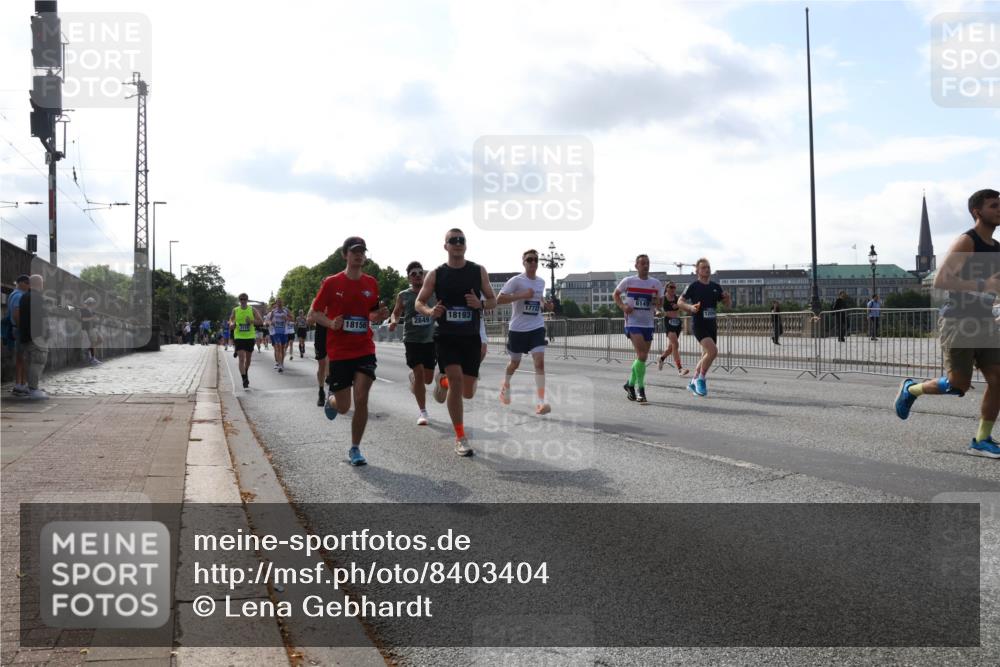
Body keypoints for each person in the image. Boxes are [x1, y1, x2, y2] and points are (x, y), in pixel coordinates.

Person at [895, 188, 1000, 459]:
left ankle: (981, 439)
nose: (999, 209)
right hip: (959, 321)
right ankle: (912, 389)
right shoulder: (968, 241)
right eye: (994, 205)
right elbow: (942, 280)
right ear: (978, 212)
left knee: (998, 380)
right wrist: (983, 284)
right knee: (958, 385)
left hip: (986, 321)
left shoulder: (996, 248)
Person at [416, 228, 497, 456]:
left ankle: (443, 383)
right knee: (457, 379)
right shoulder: (436, 274)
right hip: (447, 337)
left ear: (466, 245)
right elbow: (419, 302)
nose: (458, 243)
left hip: (470, 337)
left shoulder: (478, 271)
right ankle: (460, 437)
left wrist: (480, 305)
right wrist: (431, 310)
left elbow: (493, 300)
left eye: (461, 240)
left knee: (467, 391)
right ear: (446, 246)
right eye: (453, 240)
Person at [310, 236, 389, 466]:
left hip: (364, 348)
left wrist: (379, 316)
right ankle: (332, 401)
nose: (359, 255)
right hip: (340, 352)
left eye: (362, 251)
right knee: (344, 406)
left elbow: (372, 314)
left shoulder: (371, 283)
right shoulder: (332, 283)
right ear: (345, 255)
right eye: (354, 251)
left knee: (362, 398)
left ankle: (355, 448)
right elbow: (314, 314)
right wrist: (331, 322)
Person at [497, 249, 555, 414]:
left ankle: (541, 402)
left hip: (536, 327)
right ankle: (506, 384)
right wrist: (521, 295)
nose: (533, 263)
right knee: (515, 363)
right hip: (517, 329)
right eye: (529, 260)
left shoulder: (541, 282)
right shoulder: (516, 281)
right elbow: (499, 299)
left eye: (535, 260)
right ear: (523, 262)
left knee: (540, 364)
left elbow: (538, 299)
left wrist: (547, 305)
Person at [390, 261, 436, 425]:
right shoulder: (404, 295)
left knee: (428, 379)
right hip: (412, 339)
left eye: (420, 273)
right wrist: (393, 321)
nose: (417, 276)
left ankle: (415, 382)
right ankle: (423, 412)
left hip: (430, 340)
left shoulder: (432, 292)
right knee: (419, 372)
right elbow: (395, 313)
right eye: (413, 274)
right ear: (409, 278)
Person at [613, 254, 663, 403]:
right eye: (642, 264)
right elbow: (615, 294)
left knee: (642, 357)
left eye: (647, 263)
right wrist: (623, 306)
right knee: (642, 355)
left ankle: (629, 384)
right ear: (636, 266)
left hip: (648, 323)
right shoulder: (629, 281)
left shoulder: (656, 283)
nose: (645, 266)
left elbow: (659, 303)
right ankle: (641, 390)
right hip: (633, 323)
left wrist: (657, 303)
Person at [679, 258, 731, 397]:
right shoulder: (693, 286)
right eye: (703, 268)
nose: (707, 270)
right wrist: (690, 307)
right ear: (697, 270)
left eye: (708, 267)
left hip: (711, 325)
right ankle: (701, 379)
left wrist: (727, 298)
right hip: (699, 324)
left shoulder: (715, 286)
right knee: (713, 351)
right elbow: (680, 302)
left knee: (705, 355)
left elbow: (727, 305)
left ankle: (693, 381)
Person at [14, 275, 49, 399]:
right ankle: (33, 389)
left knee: (29, 362)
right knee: (38, 361)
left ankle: (32, 387)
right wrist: (46, 334)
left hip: (26, 336)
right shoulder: (38, 298)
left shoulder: (24, 297)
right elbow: (43, 318)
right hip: (37, 336)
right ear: (39, 284)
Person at [231, 293, 264, 388]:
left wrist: (252, 321)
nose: (243, 301)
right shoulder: (235, 310)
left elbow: (261, 321)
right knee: (241, 358)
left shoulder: (252, 310)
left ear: (247, 300)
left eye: (244, 299)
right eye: (241, 299)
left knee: (248, 360)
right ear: (239, 300)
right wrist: (232, 324)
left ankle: (245, 372)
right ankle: (244, 378)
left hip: (249, 337)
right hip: (239, 337)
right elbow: (231, 320)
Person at [656, 281, 689, 376]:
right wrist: (658, 312)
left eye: (674, 287)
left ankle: (661, 358)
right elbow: (656, 307)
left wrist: (679, 306)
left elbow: (682, 308)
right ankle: (680, 369)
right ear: (666, 288)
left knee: (671, 348)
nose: (673, 289)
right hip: (668, 322)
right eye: (671, 287)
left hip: (677, 322)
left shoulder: (677, 298)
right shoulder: (663, 298)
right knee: (675, 344)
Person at [5, 274, 30, 396]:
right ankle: (20, 384)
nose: (29, 286)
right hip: (19, 329)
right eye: (28, 283)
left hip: (16, 329)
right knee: (23, 357)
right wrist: (23, 328)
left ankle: (21, 384)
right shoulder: (19, 295)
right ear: (22, 283)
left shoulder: (13, 294)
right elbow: (16, 313)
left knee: (21, 357)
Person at [269, 298, 291, 372]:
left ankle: (281, 363)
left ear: (282, 302)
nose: (279, 303)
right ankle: (280, 365)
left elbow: (292, 319)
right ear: (276, 303)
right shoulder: (273, 311)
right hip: (276, 332)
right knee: (278, 347)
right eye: (278, 302)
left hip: (284, 332)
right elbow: (269, 320)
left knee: (282, 349)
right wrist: (271, 322)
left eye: (280, 302)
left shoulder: (286, 310)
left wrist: (286, 318)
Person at [80, 297, 102, 364]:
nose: (93, 304)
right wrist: (92, 318)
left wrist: (96, 319)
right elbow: (83, 319)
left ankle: (87, 351)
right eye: (92, 303)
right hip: (89, 328)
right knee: (93, 342)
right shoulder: (84, 310)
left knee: (100, 340)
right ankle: (93, 358)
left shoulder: (92, 310)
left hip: (94, 328)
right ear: (89, 303)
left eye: (93, 303)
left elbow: (96, 318)